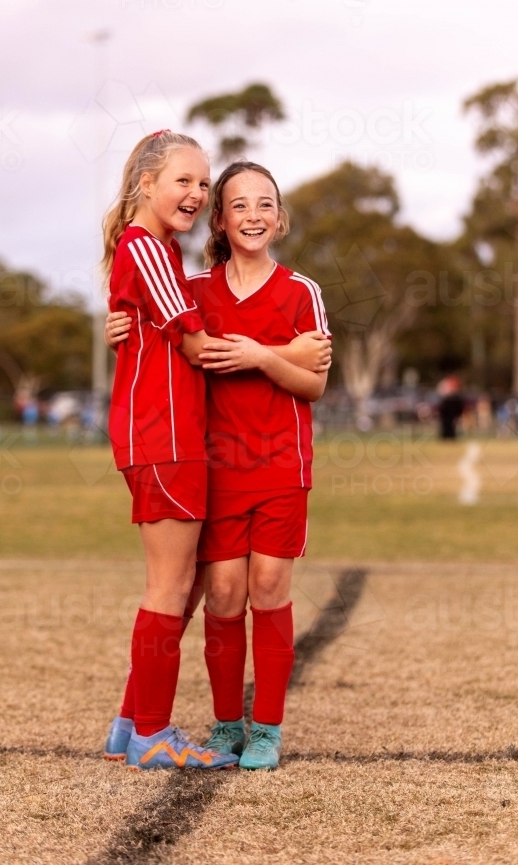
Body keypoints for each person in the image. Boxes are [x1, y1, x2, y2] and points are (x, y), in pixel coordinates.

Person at [102, 133, 330, 771]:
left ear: (279, 217)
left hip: (253, 459)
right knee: (194, 589)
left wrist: (123, 322)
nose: (199, 196)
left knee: (222, 586)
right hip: (182, 449)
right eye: (196, 186)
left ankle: (154, 725)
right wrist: (277, 354)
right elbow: (190, 342)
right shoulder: (171, 266)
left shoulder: (285, 287)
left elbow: (315, 381)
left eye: (203, 186)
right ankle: (175, 729)